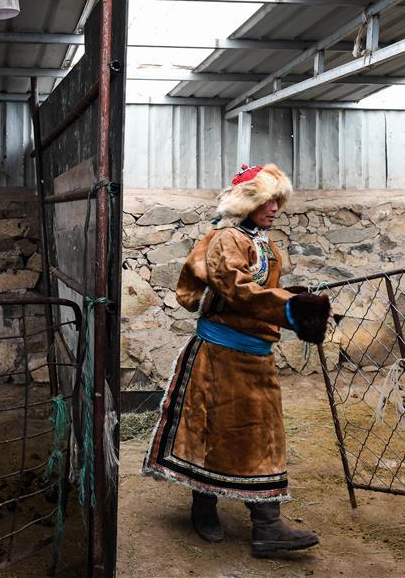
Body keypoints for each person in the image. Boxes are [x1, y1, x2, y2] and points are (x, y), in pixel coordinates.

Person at [142, 162, 331, 556]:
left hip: (256, 355)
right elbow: (237, 288)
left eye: (278, 199)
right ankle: (205, 505)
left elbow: (261, 289)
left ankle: (267, 526)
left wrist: (291, 297)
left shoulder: (262, 241)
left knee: (261, 434)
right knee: (213, 432)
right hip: (221, 357)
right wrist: (294, 309)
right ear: (248, 202)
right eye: (267, 199)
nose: (275, 207)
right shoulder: (228, 237)